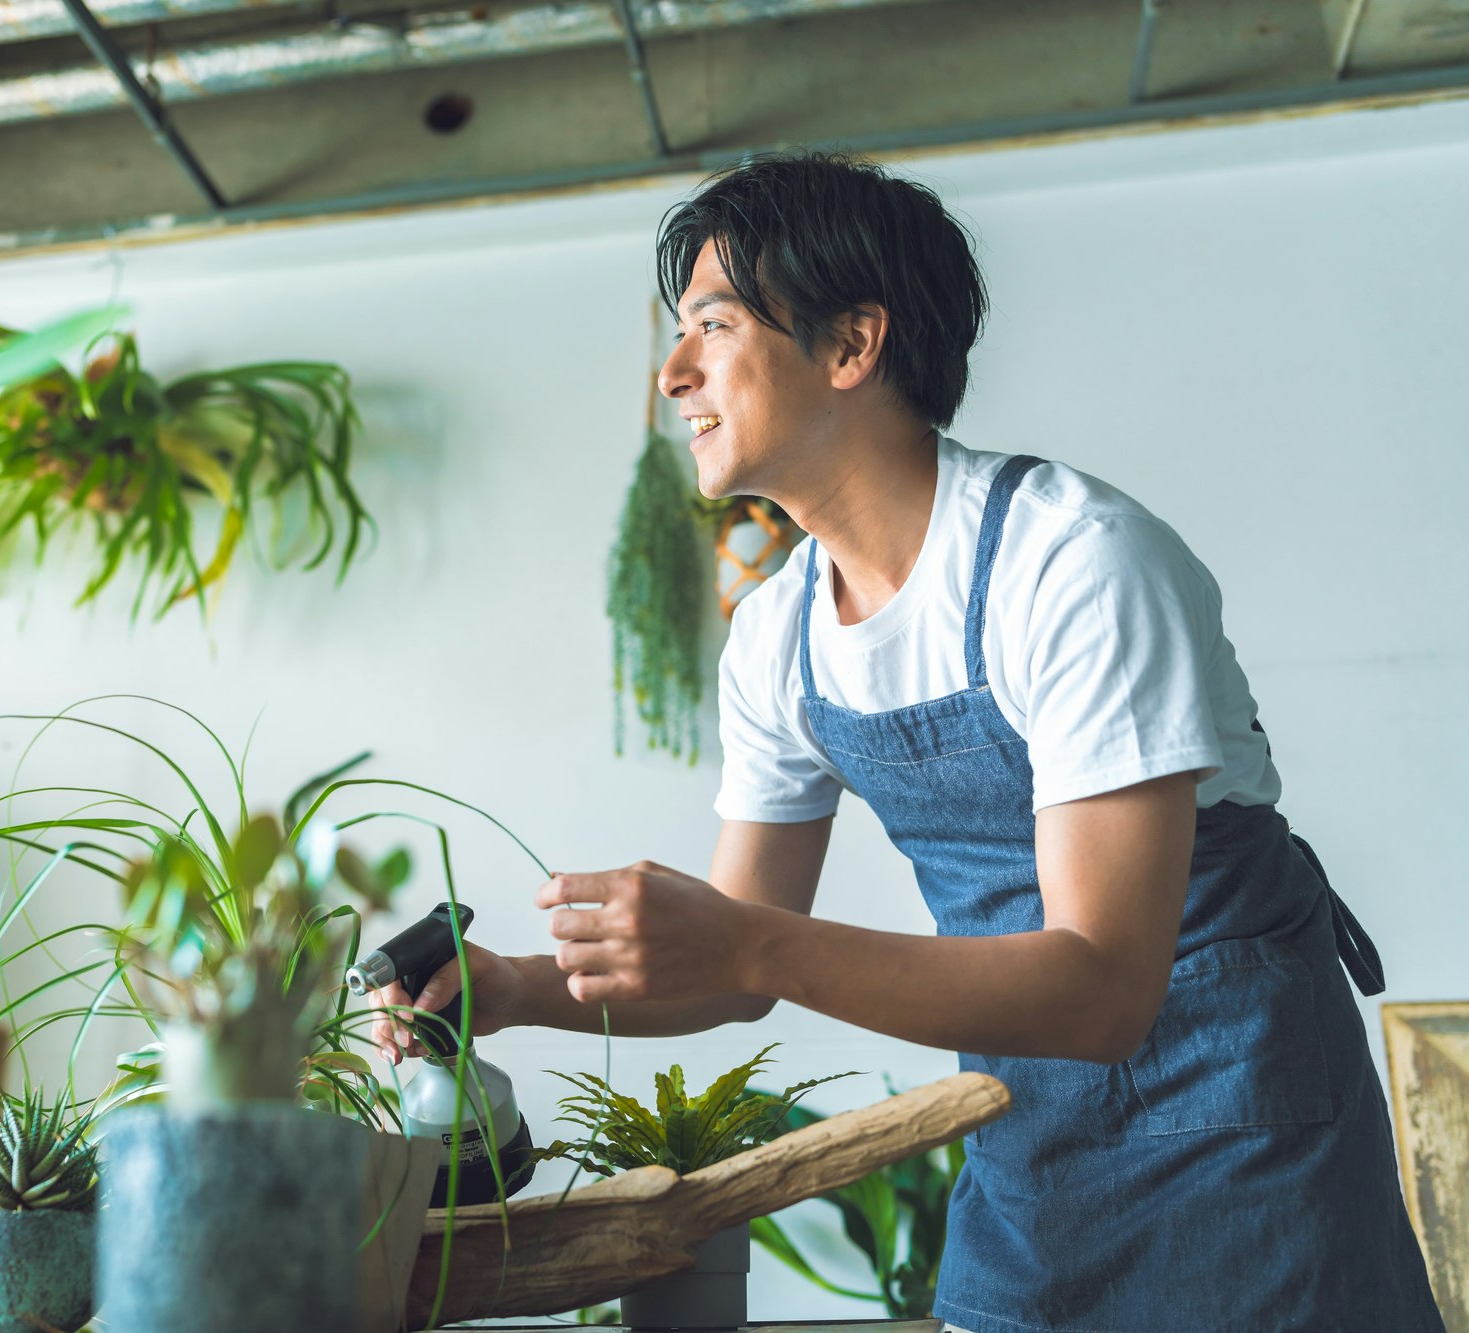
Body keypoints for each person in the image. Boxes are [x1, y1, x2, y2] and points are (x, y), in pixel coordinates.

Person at [371, 151, 1443, 1332]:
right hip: (1026, 1145)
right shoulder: (777, 636)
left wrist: (750, 943)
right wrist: (511, 990)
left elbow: (1100, 988)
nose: (672, 374)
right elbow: (733, 976)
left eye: (712, 326)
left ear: (850, 346)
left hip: (1244, 1144)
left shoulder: (1073, 563)